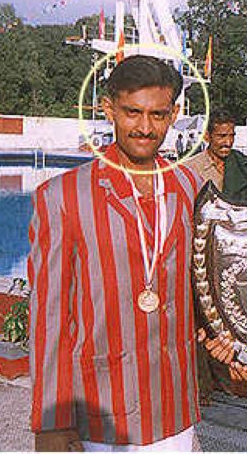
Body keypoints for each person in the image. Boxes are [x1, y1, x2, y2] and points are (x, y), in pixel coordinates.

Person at [28, 55, 203, 451]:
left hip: (174, 406)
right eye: (132, 112)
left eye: (158, 114)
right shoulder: (63, 197)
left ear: (174, 113)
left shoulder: (188, 188)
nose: (145, 127)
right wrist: (52, 423)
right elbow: (49, 317)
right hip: (101, 408)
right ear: (109, 108)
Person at [184, 109, 247, 202]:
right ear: (207, 137)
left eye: (232, 136)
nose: (228, 143)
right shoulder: (191, 168)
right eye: (222, 136)